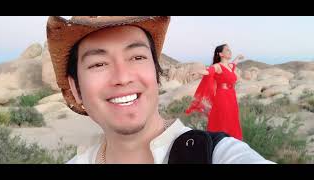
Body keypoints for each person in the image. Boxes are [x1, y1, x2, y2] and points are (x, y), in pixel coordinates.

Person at [46, 16, 274, 164]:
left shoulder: (216, 155)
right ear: (75, 89)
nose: (122, 77)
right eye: (98, 64)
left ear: (156, 74)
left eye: (137, 57)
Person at [186, 44, 244, 140]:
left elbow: (234, 63)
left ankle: (230, 142)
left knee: (232, 120)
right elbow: (208, 71)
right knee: (223, 120)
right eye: (227, 50)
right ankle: (219, 142)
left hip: (231, 97)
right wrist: (197, 71)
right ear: (220, 54)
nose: (230, 51)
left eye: (230, 50)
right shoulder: (217, 66)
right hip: (222, 97)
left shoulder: (230, 66)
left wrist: (238, 57)